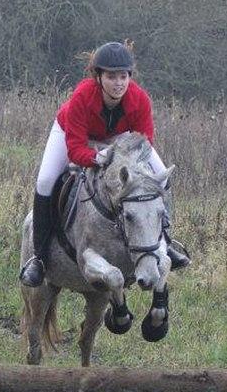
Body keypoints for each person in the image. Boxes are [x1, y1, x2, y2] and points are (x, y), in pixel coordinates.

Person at [19, 41, 190, 287]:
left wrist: (121, 155)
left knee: (162, 177)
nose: (118, 83)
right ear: (98, 77)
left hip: (120, 140)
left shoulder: (140, 99)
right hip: (75, 135)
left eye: (123, 76)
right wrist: (99, 158)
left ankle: (166, 240)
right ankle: (39, 257)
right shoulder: (82, 96)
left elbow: (143, 142)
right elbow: (76, 149)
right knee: (46, 180)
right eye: (111, 77)